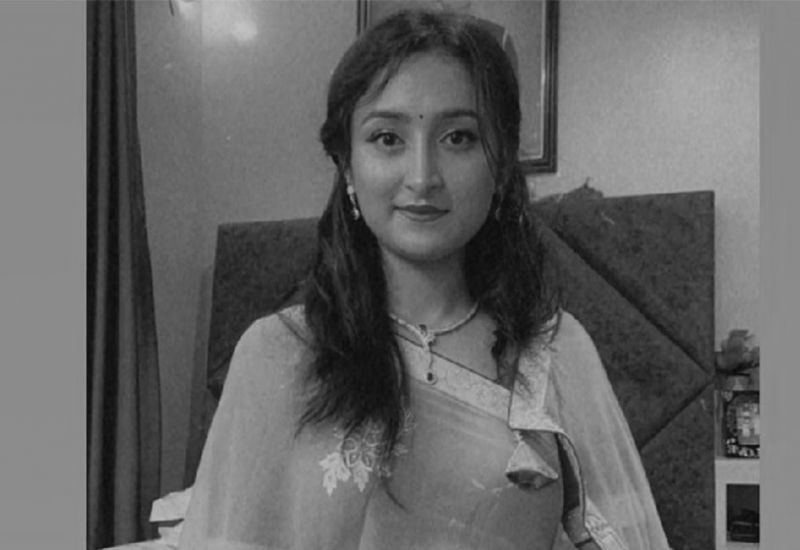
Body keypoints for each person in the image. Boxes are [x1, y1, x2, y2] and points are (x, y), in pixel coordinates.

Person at [178, 9, 670, 550]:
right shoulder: (277, 354)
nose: (422, 177)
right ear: (347, 166)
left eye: (458, 137)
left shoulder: (553, 353)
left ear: (501, 164)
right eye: (387, 138)